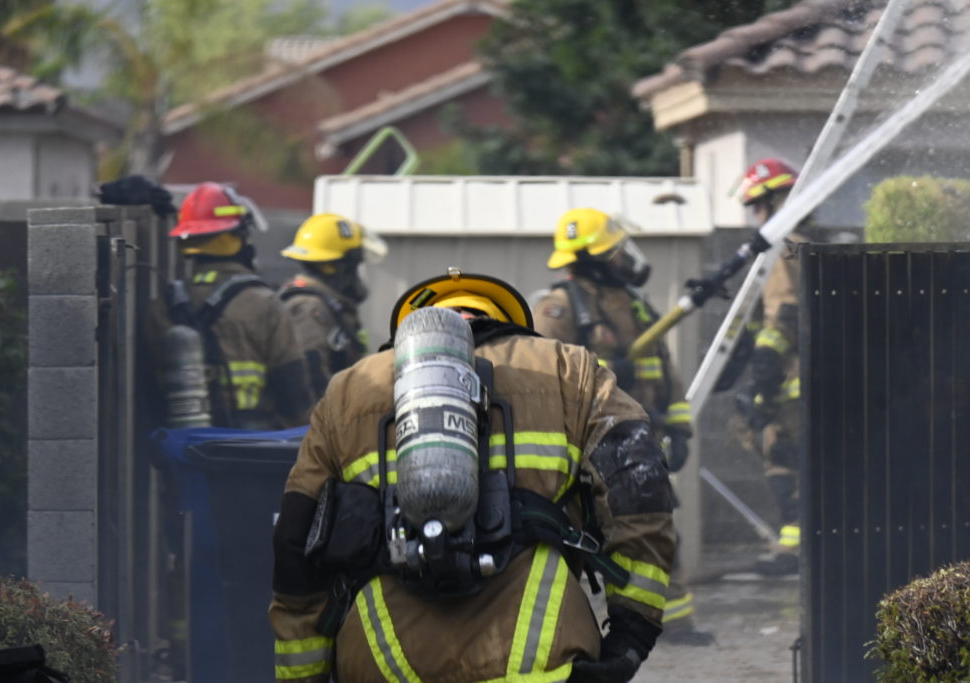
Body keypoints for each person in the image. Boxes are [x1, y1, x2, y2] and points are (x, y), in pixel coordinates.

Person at [269, 268, 676, 682]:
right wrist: (632, 632)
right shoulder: (570, 370)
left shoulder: (346, 392)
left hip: (384, 663)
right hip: (541, 660)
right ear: (506, 322)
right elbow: (641, 489)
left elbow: (294, 541)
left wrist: (304, 675)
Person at [531, 208, 708, 643]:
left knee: (655, 530)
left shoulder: (634, 303)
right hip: (591, 445)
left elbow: (665, 369)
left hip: (641, 438)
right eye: (615, 252)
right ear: (591, 259)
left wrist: (680, 427)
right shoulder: (558, 308)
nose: (624, 259)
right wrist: (606, 371)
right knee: (577, 541)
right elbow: (543, 374)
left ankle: (672, 623)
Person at [152, 181, 312, 429]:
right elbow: (294, 394)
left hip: (184, 445)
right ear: (238, 236)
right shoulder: (264, 303)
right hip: (250, 444)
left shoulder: (163, 304)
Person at [734, 158, 804, 575]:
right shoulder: (802, 244)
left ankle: (794, 549)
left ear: (776, 200)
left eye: (758, 206)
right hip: (804, 375)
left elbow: (783, 313)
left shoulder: (781, 246)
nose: (757, 216)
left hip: (790, 377)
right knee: (792, 459)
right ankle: (793, 546)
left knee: (782, 454)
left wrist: (764, 370)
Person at [278, 213, 386, 399]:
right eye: (356, 266)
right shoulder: (308, 308)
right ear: (339, 267)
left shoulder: (329, 306)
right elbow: (310, 381)